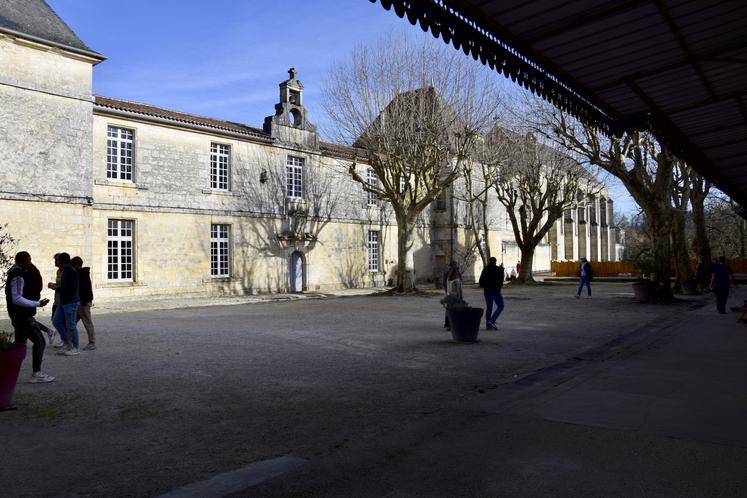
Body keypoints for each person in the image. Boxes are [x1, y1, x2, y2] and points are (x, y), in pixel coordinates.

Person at [5, 251, 54, 383]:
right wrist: (37, 303)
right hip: (22, 315)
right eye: (29, 260)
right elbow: (17, 298)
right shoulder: (18, 275)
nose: (30, 263)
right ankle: (36, 373)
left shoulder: (16, 272)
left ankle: (10, 372)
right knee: (39, 341)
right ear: (23, 262)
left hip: (18, 314)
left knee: (20, 344)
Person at [51, 252, 80, 355]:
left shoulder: (71, 271)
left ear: (61, 261)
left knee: (71, 325)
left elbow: (70, 289)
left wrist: (56, 288)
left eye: (57, 260)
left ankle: (75, 347)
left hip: (70, 302)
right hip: (63, 301)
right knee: (56, 321)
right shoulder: (64, 271)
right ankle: (67, 343)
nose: (55, 262)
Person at [71, 256, 95, 350]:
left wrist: (85, 302)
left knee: (87, 323)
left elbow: (85, 290)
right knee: (71, 323)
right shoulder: (81, 274)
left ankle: (92, 343)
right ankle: (68, 341)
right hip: (80, 302)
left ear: (76, 265)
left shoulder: (82, 275)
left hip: (83, 302)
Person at [479, 257, 504, 330]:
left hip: (487, 291)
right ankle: (492, 321)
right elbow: (501, 280)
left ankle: (488, 325)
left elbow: (481, 282)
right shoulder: (498, 269)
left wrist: (486, 286)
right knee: (501, 306)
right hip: (496, 291)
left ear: (489, 261)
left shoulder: (485, 269)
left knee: (489, 307)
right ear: (495, 262)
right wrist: (502, 270)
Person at [442, 261, 462, 331]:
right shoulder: (454, 274)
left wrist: (447, 292)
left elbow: (444, 284)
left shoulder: (451, 273)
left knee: (450, 309)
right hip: (454, 294)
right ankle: (451, 324)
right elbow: (458, 286)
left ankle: (448, 324)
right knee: (453, 309)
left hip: (450, 293)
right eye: (455, 265)